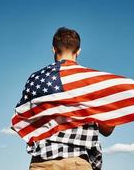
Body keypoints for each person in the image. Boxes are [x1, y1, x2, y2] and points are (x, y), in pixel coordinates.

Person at [18, 27, 115, 170]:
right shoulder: (92, 81)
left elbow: (23, 120)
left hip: (44, 161)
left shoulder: (36, 79)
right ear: (78, 51)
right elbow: (108, 129)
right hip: (78, 162)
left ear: (53, 49)